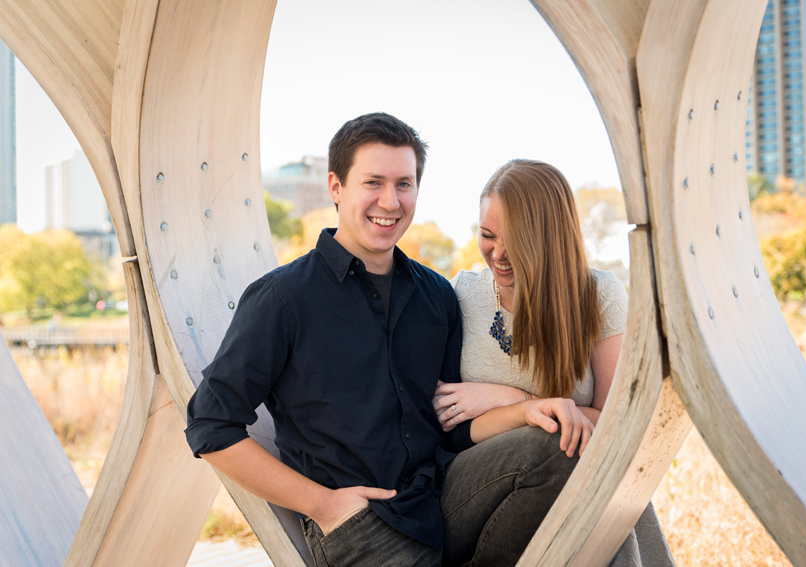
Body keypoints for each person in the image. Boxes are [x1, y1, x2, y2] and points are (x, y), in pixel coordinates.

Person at [185, 114, 593, 567]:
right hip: (359, 524)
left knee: (556, 444)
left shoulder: (436, 295)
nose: (390, 200)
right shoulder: (283, 298)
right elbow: (210, 425)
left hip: (439, 498)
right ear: (336, 187)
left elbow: (450, 426)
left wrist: (526, 408)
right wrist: (323, 505)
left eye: (404, 184)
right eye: (373, 182)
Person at [434, 158, 676, 566]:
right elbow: (448, 423)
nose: (499, 254)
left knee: (573, 451)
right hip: (472, 488)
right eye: (487, 236)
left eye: (516, 240)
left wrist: (514, 399)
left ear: (550, 236)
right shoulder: (460, 295)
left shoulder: (600, 296)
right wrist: (529, 411)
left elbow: (618, 424)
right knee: (560, 443)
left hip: (567, 477)